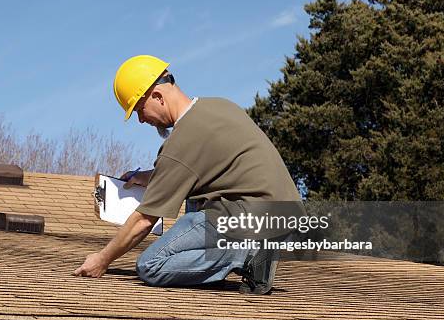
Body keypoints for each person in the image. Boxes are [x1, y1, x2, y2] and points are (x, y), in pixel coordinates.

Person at [74, 55, 301, 294]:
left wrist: (102, 259)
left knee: (150, 265)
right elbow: (196, 168)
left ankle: (246, 258)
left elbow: (143, 220)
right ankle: (215, 271)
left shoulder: (181, 142)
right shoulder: (218, 107)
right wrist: (150, 176)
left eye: (140, 109)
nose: (141, 120)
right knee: (194, 195)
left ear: (157, 97)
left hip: (251, 221)